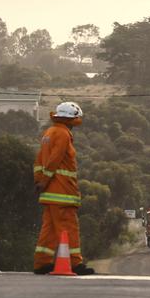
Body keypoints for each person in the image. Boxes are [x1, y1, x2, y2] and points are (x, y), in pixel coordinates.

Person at [33, 101, 93, 275]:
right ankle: (75, 263)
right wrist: (44, 180)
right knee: (69, 228)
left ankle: (41, 263)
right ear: (70, 120)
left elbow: (39, 160)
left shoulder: (48, 133)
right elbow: (55, 159)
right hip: (62, 193)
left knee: (49, 229)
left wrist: (39, 181)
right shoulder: (63, 134)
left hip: (49, 194)